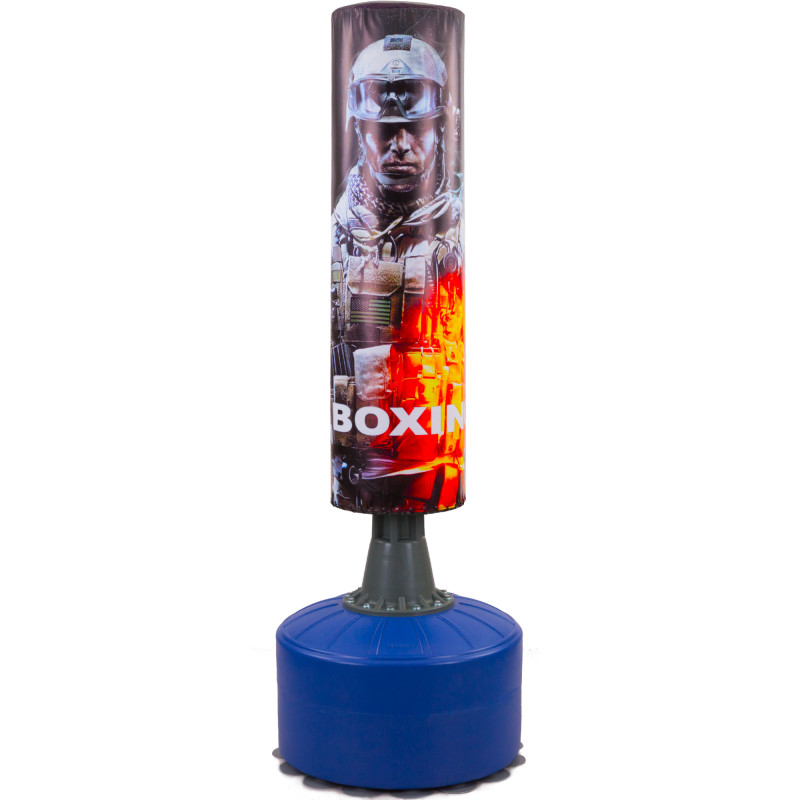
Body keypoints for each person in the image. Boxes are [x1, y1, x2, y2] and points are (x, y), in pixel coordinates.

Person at [331, 34, 464, 513]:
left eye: (415, 129)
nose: (400, 146)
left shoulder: (460, 228)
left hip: (433, 455)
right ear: (359, 131)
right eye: (384, 132)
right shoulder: (338, 232)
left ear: (441, 129)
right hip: (360, 458)